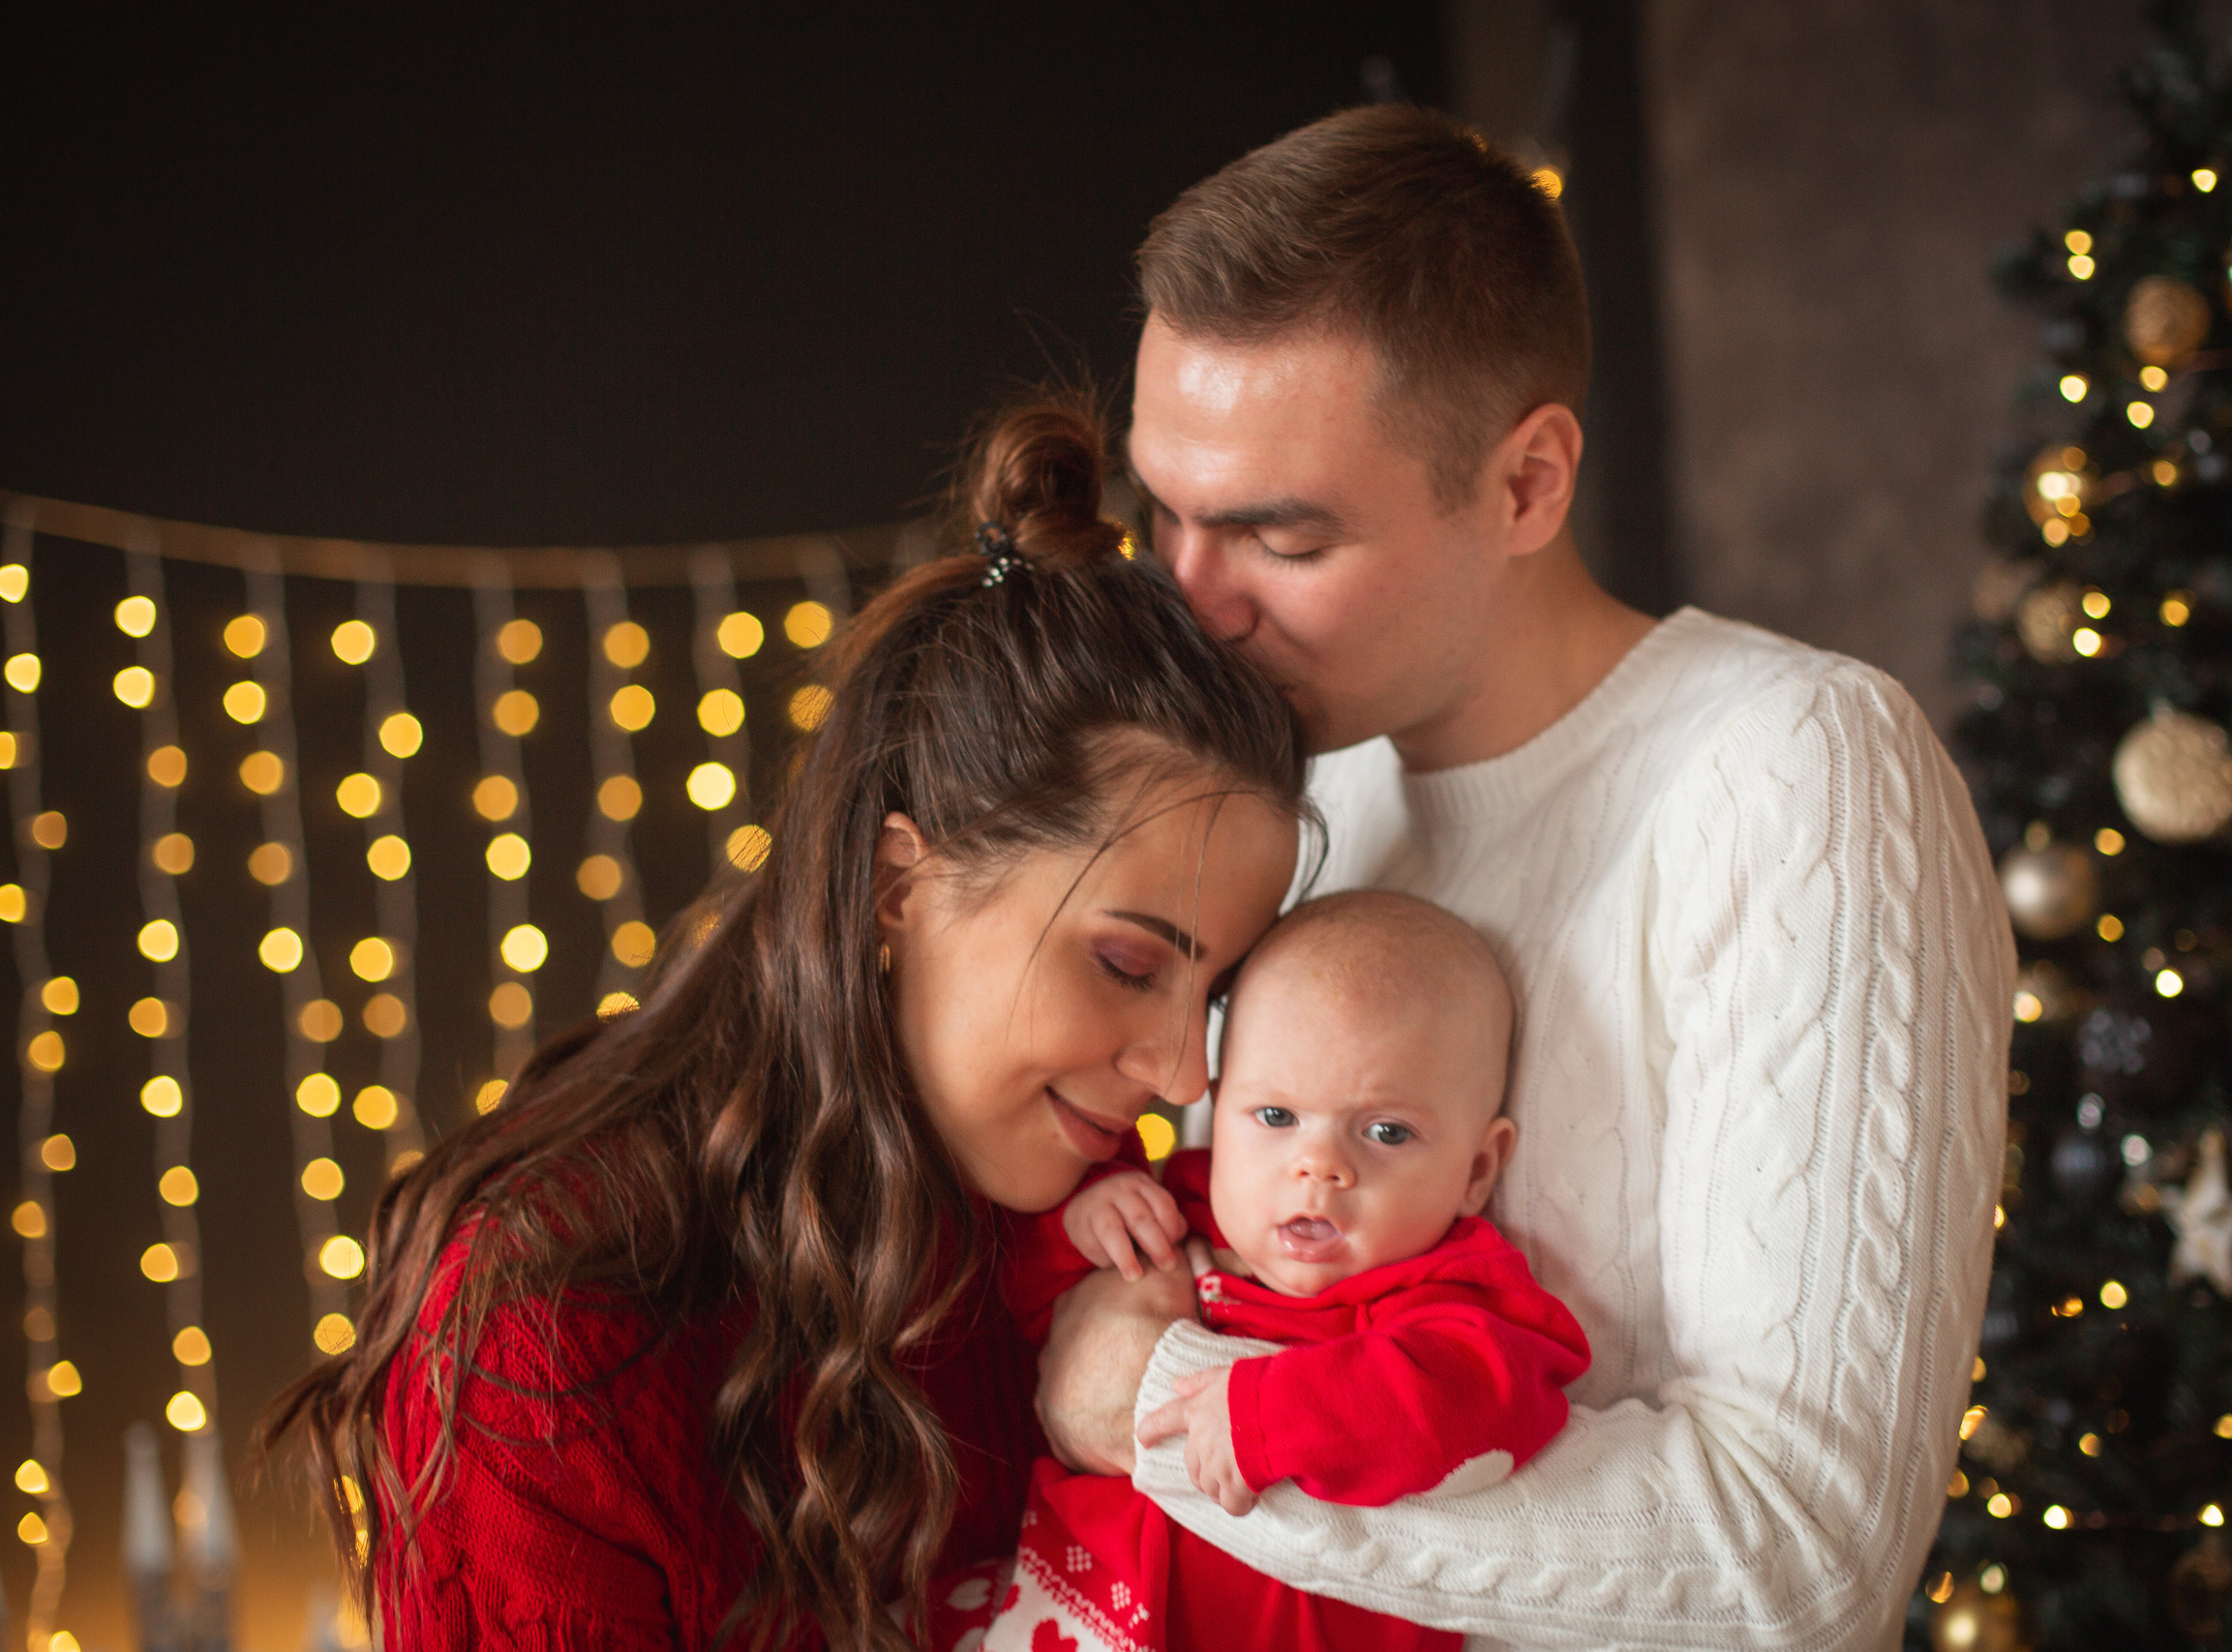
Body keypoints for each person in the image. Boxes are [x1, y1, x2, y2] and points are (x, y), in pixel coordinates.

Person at [1034, 105, 2015, 1650]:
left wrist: (1154, 1405)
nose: (1190, 597)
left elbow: (1799, 1557)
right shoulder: (1295, 792)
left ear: (1529, 482)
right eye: (1168, 510)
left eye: (1279, 536)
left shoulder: (1802, 770)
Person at [260, 403, 1311, 1652]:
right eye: (1127, 963)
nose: (1183, 1072)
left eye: (1215, 995)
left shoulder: (1109, 1228)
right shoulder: (551, 1331)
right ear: (898, 886)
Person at [929, 890, 1588, 1652]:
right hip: (1062, 1609)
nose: (1319, 1165)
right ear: (1218, 1111)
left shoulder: (1449, 1293)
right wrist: (1078, 1225)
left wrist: (1273, 1415)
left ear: (1476, 1169)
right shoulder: (1175, 1212)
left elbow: (1483, 1400)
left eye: (1386, 1131)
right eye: (1276, 1117)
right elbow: (1041, 1330)